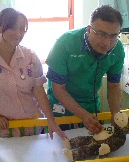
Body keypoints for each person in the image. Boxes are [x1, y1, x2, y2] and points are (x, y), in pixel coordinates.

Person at [0, 8, 67, 140]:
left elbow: (39, 91)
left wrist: (51, 121)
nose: (19, 34)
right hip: (3, 128)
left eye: (22, 29)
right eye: (13, 28)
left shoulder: (30, 56)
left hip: (33, 124)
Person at [46, 5, 124, 134]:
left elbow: (114, 86)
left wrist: (116, 114)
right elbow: (58, 89)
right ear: (89, 30)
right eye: (101, 34)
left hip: (91, 109)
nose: (107, 43)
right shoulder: (65, 44)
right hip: (61, 110)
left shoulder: (117, 49)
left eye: (113, 36)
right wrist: (83, 115)